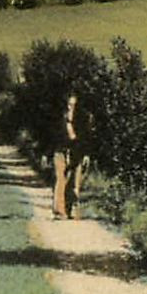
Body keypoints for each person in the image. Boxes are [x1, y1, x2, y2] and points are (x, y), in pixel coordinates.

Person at [52, 90, 94, 219]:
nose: (70, 107)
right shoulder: (58, 117)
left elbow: (87, 136)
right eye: (68, 104)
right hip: (60, 150)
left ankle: (71, 209)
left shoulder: (83, 117)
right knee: (60, 179)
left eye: (73, 105)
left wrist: (86, 154)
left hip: (77, 151)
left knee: (74, 182)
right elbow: (50, 136)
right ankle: (59, 211)